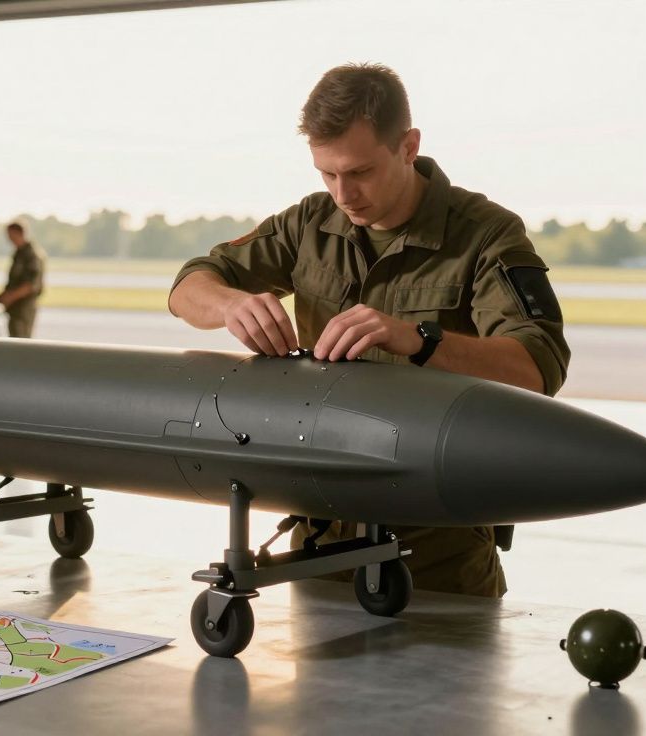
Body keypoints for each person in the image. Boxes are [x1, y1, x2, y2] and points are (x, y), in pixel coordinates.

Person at [168, 63, 570, 598]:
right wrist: (230, 304)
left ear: (408, 146)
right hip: (317, 540)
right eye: (326, 174)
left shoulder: (486, 234)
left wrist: (420, 340)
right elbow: (187, 285)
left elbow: (537, 368)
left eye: (359, 172)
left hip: (437, 549)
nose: (343, 193)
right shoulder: (307, 224)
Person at [0, 222, 46, 338]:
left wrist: (9, 297)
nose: (9, 239)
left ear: (19, 233)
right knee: (14, 340)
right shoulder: (19, 253)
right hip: (15, 308)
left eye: (10, 235)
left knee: (22, 342)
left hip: (24, 308)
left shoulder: (31, 254)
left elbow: (31, 285)